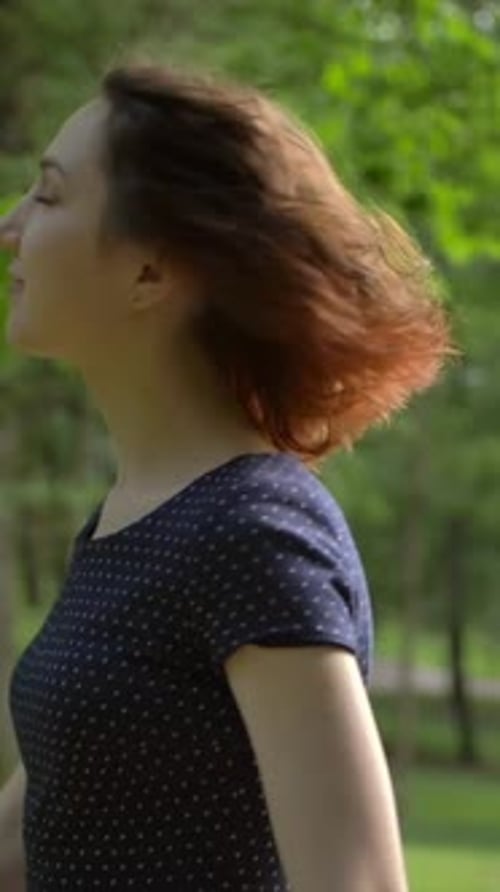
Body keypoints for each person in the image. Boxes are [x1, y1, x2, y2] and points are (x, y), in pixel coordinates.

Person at [0, 56, 458, 891]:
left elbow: (353, 881)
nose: (11, 225)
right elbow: (36, 834)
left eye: (50, 195)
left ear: (151, 271)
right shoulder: (131, 523)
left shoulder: (251, 530)